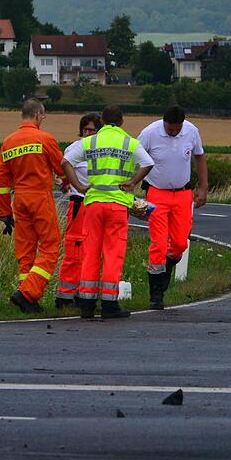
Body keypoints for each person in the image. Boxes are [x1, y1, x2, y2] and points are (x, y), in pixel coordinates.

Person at [62, 105, 153, 319]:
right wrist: (132, 182)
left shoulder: (90, 141)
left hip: (92, 203)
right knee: (113, 253)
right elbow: (148, 163)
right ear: (121, 121)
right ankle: (109, 304)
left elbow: (65, 162)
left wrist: (79, 185)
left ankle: (86, 304)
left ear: (102, 120)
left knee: (90, 252)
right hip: (117, 204)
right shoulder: (129, 142)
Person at [0, 98, 64, 314]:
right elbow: (61, 168)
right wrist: (69, 182)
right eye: (43, 116)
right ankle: (27, 293)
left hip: (20, 201)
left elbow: (1, 182)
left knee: (26, 251)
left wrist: (4, 213)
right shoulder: (45, 139)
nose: (43, 119)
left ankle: (27, 297)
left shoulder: (8, 142)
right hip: (40, 198)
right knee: (51, 246)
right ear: (36, 115)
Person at [137, 105, 208, 310]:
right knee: (158, 244)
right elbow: (136, 158)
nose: (174, 132)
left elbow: (199, 157)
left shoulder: (191, 131)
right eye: (170, 129)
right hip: (157, 194)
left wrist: (203, 188)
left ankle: (167, 268)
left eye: (177, 129)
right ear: (164, 123)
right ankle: (156, 293)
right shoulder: (150, 133)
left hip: (183, 194)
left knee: (179, 243)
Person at [55, 112, 102, 309]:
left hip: (98, 205)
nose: (88, 133)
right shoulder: (74, 149)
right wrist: (65, 183)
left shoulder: (103, 151)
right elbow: (64, 173)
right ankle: (65, 295)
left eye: (92, 129)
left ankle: (84, 293)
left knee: (92, 252)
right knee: (74, 250)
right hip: (79, 203)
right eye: (85, 129)